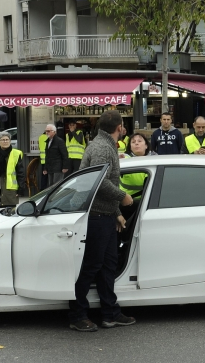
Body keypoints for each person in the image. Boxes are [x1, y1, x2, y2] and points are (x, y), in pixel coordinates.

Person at [69, 110, 136, 332]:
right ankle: (78, 315)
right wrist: (122, 197)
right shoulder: (101, 148)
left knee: (108, 265)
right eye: (123, 125)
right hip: (96, 216)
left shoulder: (105, 145)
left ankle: (110, 313)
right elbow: (98, 181)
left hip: (106, 215)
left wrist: (116, 211)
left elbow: (106, 180)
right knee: (92, 266)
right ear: (119, 128)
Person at [0, 131, 26, 209]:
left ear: (10, 141)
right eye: (3, 140)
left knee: (11, 211)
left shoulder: (16, 154)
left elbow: (20, 172)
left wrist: (21, 188)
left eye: (7, 139)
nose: (5, 141)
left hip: (10, 188)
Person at [120, 133, 155, 219]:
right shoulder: (124, 159)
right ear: (130, 147)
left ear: (146, 145)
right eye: (133, 142)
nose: (136, 143)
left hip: (148, 203)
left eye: (139, 141)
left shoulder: (154, 160)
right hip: (126, 203)